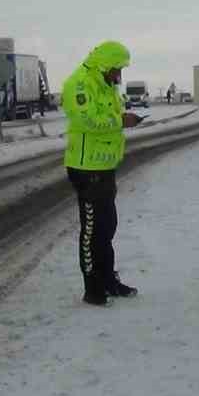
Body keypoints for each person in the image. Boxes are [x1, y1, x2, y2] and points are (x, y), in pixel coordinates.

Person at [63, 40, 144, 306]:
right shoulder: (79, 84)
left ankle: (108, 279)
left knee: (107, 227)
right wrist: (121, 121)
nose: (120, 75)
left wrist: (123, 117)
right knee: (91, 231)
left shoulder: (107, 85)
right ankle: (93, 288)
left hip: (105, 167)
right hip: (86, 169)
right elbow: (86, 120)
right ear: (105, 65)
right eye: (117, 69)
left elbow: (110, 115)